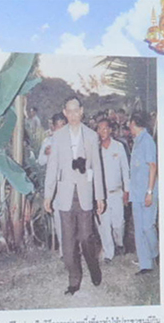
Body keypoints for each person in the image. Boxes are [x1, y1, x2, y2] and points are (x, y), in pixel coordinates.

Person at [44, 97, 106, 295]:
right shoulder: (58, 136)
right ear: (64, 112)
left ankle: (93, 267)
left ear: (81, 111)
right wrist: (48, 195)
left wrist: (100, 197)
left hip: (85, 194)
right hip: (64, 195)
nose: (72, 115)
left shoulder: (91, 136)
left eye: (75, 111)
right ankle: (74, 280)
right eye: (68, 111)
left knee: (86, 237)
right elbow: (52, 167)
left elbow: (97, 167)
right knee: (68, 241)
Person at [128, 111, 159, 275]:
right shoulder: (137, 141)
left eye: (130, 124)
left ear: (134, 123)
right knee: (139, 229)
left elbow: (152, 166)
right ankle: (145, 265)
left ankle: (156, 253)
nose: (129, 127)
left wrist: (149, 191)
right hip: (136, 192)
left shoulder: (147, 141)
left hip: (147, 191)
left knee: (148, 227)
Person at [95, 119, 130, 262]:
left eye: (105, 129)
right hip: (103, 195)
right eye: (99, 129)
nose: (102, 132)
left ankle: (119, 243)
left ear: (110, 130)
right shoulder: (96, 149)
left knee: (118, 224)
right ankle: (109, 253)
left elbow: (125, 170)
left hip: (117, 192)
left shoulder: (119, 147)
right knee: (104, 225)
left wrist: (127, 191)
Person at [37, 113, 67, 256]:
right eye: (58, 126)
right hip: (54, 186)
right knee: (59, 219)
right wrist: (46, 153)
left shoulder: (71, 140)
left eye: (63, 126)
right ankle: (63, 251)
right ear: (53, 127)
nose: (60, 129)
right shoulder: (48, 141)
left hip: (69, 184)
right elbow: (40, 161)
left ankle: (74, 249)